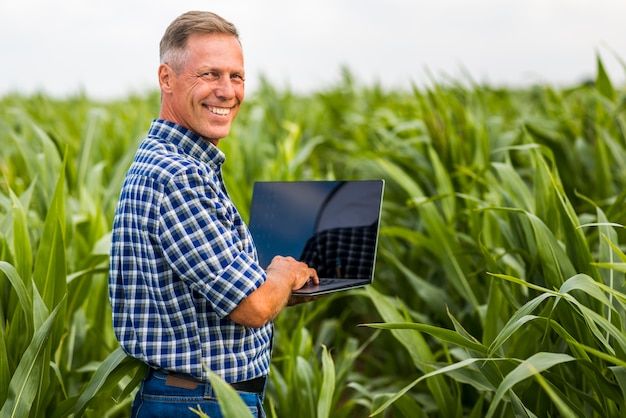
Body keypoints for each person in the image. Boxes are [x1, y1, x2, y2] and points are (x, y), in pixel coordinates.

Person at [108, 10, 318, 418]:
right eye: (209, 75)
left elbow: (204, 295)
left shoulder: (174, 162)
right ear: (166, 78)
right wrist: (283, 274)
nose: (226, 91)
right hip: (199, 403)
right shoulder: (178, 176)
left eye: (236, 77)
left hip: (193, 397)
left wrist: (280, 289)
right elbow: (253, 307)